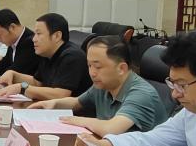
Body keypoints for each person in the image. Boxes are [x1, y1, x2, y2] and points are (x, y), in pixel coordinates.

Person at [28, 35, 168, 135]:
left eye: (98, 66)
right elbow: (77, 102)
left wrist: (73, 120)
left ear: (121, 68)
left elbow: (111, 129)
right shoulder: (103, 85)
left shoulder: (140, 94)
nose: (92, 73)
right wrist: (53, 104)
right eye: (89, 65)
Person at [0, 13, 91, 101]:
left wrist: (22, 88)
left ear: (57, 36)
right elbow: (38, 82)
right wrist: (13, 74)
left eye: (38, 34)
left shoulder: (72, 56)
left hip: (76, 114)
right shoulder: (47, 53)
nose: (34, 39)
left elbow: (60, 94)